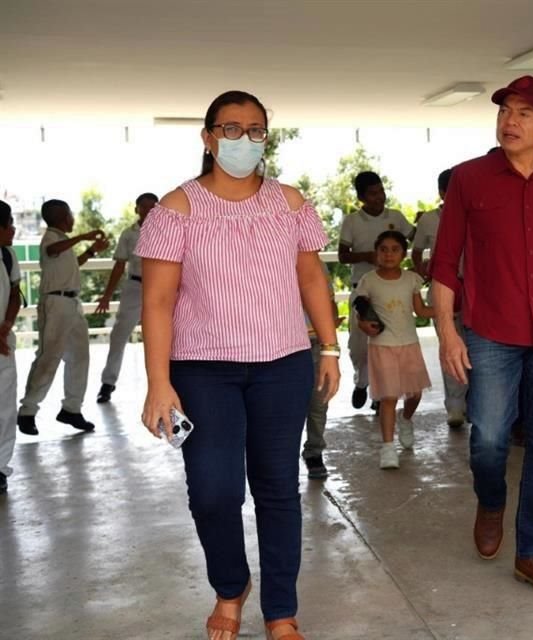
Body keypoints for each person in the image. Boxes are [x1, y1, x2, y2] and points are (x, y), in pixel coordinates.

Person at [136, 90, 340, 640]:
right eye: (230, 129)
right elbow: (156, 302)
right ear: (207, 138)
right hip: (203, 370)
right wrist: (159, 384)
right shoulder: (174, 210)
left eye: (255, 130)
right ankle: (231, 587)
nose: (243, 140)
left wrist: (329, 346)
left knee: (277, 487)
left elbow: (311, 278)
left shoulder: (290, 204)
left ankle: (281, 611)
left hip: (283, 365)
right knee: (213, 490)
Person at [431, 75, 533, 595]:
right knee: (489, 441)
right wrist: (446, 334)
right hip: (490, 333)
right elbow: (443, 264)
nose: (511, 120)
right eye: (505, 110)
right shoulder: (469, 179)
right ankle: (491, 500)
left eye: (525, 113)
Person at [17, 200, 109, 436]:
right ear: (62, 217)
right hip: (56, 303)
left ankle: (72, 409)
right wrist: (83, 237)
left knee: (80, 356)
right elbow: (52, 250)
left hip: (72, 303)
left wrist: (90, 252)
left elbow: (72, 266)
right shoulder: (51, 237)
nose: (73, 219)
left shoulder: (62, 242)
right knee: (50, 356)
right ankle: (27, 411)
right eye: (70, 214)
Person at [357, 231, 434, 469]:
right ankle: (388, 448)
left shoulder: (411, 279)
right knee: (388, 397)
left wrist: (445, 310)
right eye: (383, 249)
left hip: (409, 344)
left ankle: (406, 419)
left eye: (395, 249)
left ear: (403, 253)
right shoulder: (368, 281)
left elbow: (420, 311)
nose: (389, 254)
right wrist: (363, 325)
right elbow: (361, 313)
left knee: (415, 394)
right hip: (382, 346)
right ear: (376, 252)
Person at [338, 171, 413, 413]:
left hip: (390, 291)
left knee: (386, 344)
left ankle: (380, 395)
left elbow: (414, 237)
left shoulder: (396, 217)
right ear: (361, 197)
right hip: (362, 290)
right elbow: (342, 255)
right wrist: (368, 256)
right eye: (372, 193)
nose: (379, 197)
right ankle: (362, 382)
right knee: (359, 346)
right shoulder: (352, 221)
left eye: (381, 191)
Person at [412, 168, 467, 428]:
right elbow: (417, 251)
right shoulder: (429, 220)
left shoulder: (475, 213)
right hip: (444, 288)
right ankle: (455, 407)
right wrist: (425, 271)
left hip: (475, 288)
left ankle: (477, 404)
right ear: (443, 193)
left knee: (478, 347)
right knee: (450, 343)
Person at [94, 192, 158, 403]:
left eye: (153, 207)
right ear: (136, 209)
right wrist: (106, 296)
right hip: (135, 285)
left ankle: (170, 382)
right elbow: (119, 265)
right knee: (119, 334)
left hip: (160, 287)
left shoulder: (166, 229)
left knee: (166, 336)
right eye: (144, 207)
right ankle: (108, 383)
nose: (149, 211)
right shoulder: (129, 234)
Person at [302, 265, 340, 480]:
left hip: (316, 342)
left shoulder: (317, 267)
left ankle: (314, 452)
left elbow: (330, 304)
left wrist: (331, 347)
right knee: (286, 407)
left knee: (318, 402)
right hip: (282, 346)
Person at [0, 200, 22, 494]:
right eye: (9, 224)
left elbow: (15, 293)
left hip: (3, 342)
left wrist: (5, 325)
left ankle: (0, 467)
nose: (13, 229)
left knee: (5, 406)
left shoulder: (8, 256)